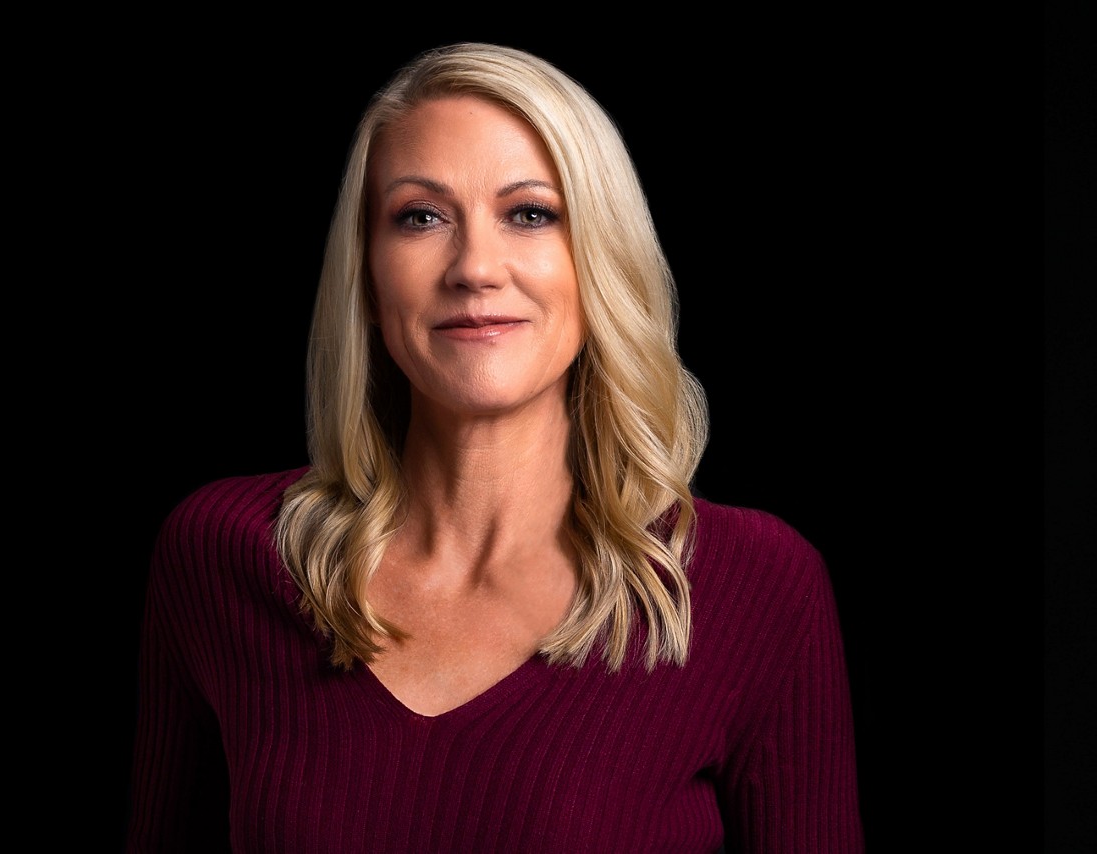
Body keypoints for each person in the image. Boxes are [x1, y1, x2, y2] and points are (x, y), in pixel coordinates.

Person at [124, 41, 865, 853]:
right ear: (367, 275)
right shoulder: (219, 553)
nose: (475, 268)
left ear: (600, 260)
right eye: (421, 216)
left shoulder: (757, 586)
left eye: (531, 214)